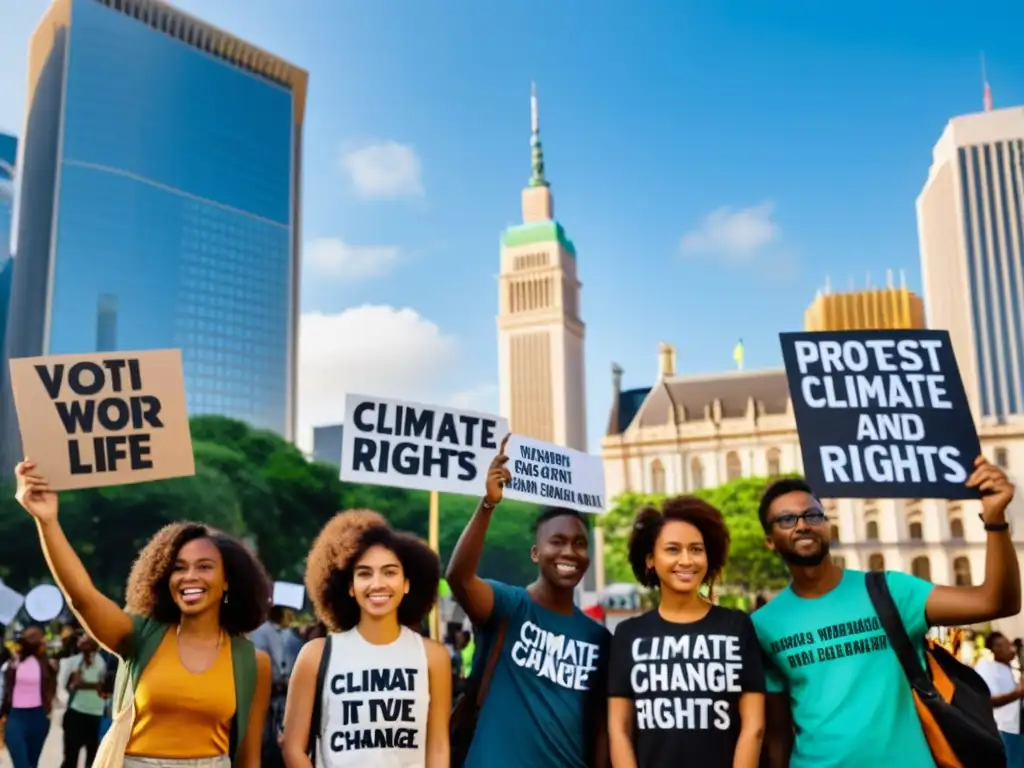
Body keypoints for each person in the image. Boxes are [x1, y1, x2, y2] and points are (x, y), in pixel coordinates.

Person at [755, 455, 1021, 768]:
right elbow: (776, 733)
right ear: (770, 541)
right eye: (786, 520)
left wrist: (995, 520)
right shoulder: (763, 625)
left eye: (813, 515)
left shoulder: (889, 591)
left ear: (827, 525)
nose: (802, 525)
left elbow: (996, 602)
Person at [13, 458, 273, 768]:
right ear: (164, 578)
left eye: (204, 567)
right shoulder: (138, 635)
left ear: (228, 581)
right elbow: (82, 598)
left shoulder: (252, 662)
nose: (190, 577)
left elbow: (248, 759)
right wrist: (47, 522)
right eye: (178, 568)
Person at [445, 435, 612, 768]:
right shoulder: (509, 605)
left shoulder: (599, 639)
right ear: (536, 553)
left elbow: (600, 729)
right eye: (558, 541)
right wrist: (488, 504)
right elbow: (459, 578)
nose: (569, 552)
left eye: (579, 543)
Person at [281, 510, 451, 767]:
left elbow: (438, 747)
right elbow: (293, 748)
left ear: (407, 583)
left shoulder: (433, 657)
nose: (378, 584)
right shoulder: (315, 655)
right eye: (364, 574)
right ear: (349, 586)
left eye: (390, 572)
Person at [607, 496, 765, 768]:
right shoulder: (628, 635)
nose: (687, 560)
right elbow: (619, 729)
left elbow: (754, 726)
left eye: (696, 549)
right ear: (650, 560)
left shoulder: (736, 626)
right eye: (672, 549)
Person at [252, 605, 302, 768]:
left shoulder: (293, 635)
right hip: (268, 698)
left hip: (289, 699)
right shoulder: (260, 633)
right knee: (265, 744)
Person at [0, 624, 56, 768]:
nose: (43, 644)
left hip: (38, 717)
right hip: (16, 717)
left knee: (32, 763)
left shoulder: (46, 664)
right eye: (40, 641)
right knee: (22, 764)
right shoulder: (12, 663)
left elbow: (51, 688)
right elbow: (4, 689)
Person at [974, 631, 1024, 767]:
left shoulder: (1010, 668)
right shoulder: (986, 666)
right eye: (1007, 645)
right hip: (1001, 730)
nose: (1011, 649)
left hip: (1016, 729)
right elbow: (988, 700)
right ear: (996, 648)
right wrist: (1018, 693)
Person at [62, 633, 107, 768]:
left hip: (96, 714)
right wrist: (77, 684)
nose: (82, 641)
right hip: (76, 712)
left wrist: (82, 685)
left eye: (87, 639)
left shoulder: (102, 662)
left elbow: (103, 689)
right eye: (82, 639)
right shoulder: (73, 661)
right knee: (70, 758)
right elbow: (67, 687)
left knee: (93, 760)